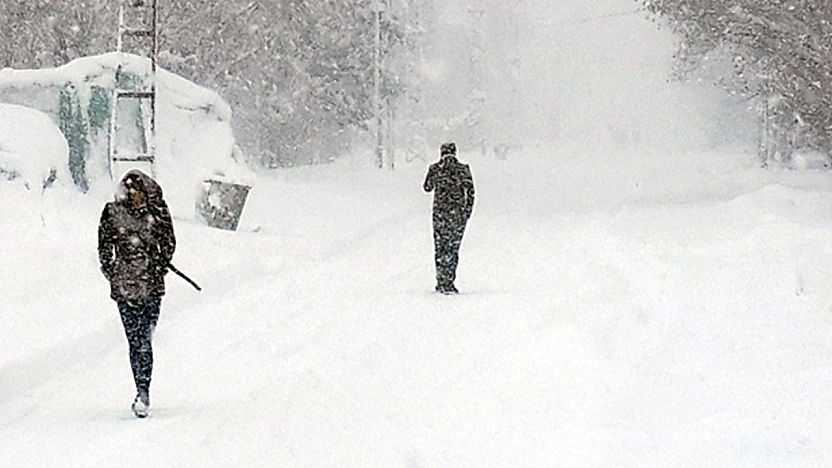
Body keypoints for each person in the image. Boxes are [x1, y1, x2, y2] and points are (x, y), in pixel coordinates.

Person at [98, 169, 176, 418]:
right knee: (136, 341)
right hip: (125, 288)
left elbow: (169, 242)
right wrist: (114, 272)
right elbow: (104, 247)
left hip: (151, 288)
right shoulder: (112, 213)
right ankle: (141, 389)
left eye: (138, 191)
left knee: (144, 339)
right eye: (129, 191)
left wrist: (158, 265)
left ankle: (144, 388)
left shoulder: (158, 212)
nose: (133, 196)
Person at [423, 142, 475, 294]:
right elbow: (471, 192)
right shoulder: (463, 169)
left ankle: (440, 281)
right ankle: (450, 281)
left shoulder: (435, 168)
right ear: (455, 152)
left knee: (440, 247)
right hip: (457, 215)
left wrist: (436, 173)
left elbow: (427, 187)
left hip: (440, 214)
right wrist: (467, 212)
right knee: (453, 248)